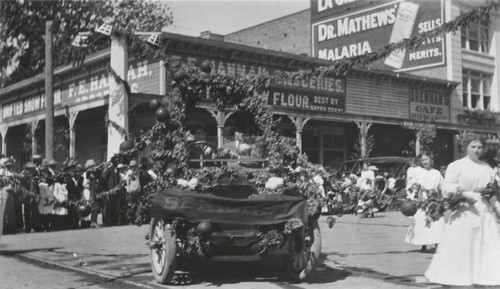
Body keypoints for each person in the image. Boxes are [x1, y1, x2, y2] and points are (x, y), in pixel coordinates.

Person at [425, 133, 500, 286]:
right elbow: (447, 188)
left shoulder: (486, 167)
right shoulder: (456, 166)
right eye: (473, 147)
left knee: (484, 245)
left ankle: (479, 277)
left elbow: (492, 191)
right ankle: (454, 278)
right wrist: (464, 194)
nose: (477, 150)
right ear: (465, 147)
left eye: (480, 147)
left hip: (483, 211)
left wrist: (496, 209)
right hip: (463, 211)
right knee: (461, 246)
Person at [404, 153, 444, 252]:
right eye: (423, 160)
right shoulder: (418, 172)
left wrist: (443, 196)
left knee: (436, 221)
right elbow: (413, 185)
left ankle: (437, 243)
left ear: (431, 160)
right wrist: (414, 195)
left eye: (427, 159)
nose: (425, 162)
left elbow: (442, 185)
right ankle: (423, 244)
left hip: (434, 199)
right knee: (422, 221)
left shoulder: (436, 173)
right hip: (423, 199)